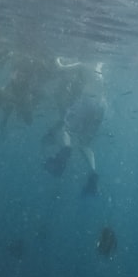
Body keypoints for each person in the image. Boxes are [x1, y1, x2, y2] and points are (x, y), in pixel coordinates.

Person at [43, 58, 107, 194]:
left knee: (67, 128)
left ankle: (66, 150)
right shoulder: (99, 66)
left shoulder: (82, 64)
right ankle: (93, 175)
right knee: (85, 144)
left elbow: (61, 68)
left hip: (87, 100)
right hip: (101, 106)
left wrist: (57, 58)